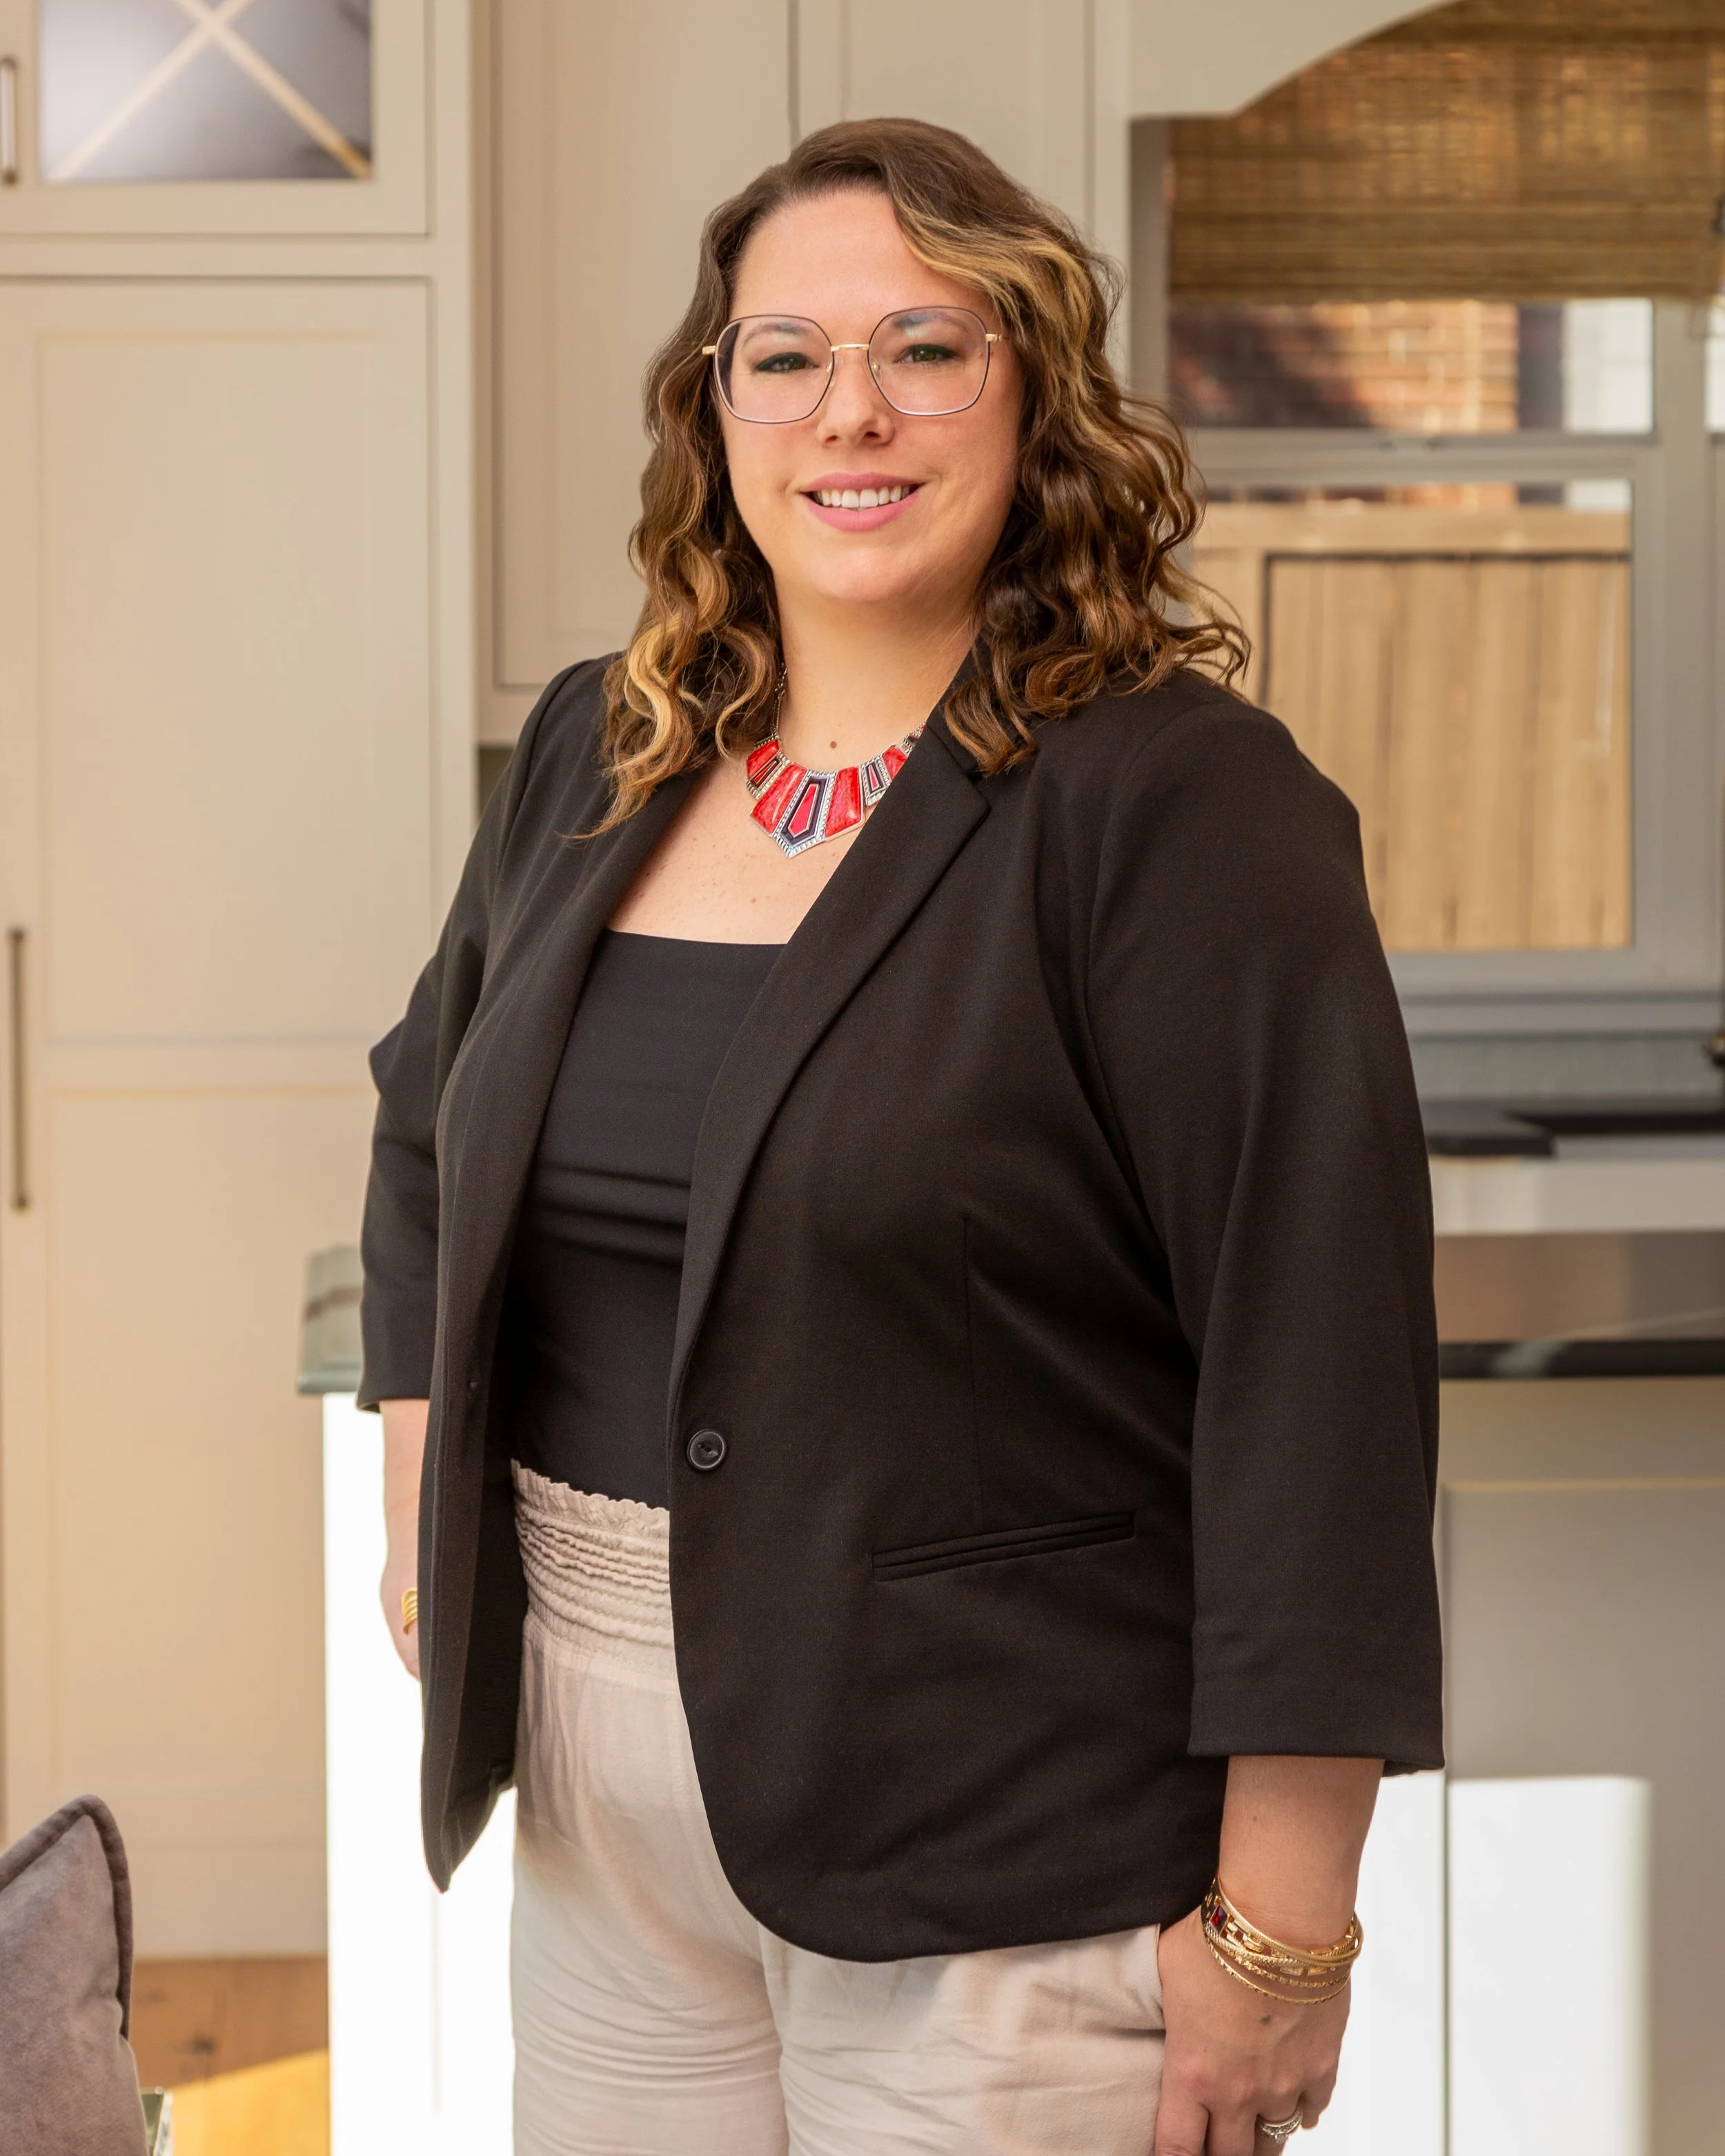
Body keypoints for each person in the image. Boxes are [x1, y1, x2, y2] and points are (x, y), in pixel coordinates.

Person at [357, 117, 1442, 2156]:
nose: (848, 410)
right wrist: (419, 1450)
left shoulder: (1181, 810)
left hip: (1003, 1835)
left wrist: (1284, 1923)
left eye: (926, 348)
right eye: (784, 355)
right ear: (718, 407)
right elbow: (430, 1112)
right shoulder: (607, 743)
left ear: (1031, 395)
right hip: (602, 1815)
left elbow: (1318, 1381)